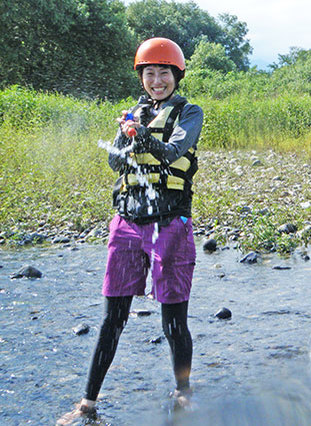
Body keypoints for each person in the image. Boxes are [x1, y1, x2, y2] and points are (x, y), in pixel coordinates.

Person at [57, 37, 203, 424]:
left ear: (177, 75)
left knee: (173, 321)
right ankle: (87, 401)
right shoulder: (131, 114)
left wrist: (142, 133)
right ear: (142, 77)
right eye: (150, 73)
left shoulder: (189, 113)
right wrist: (125, 132)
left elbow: (173, 152)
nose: (157, 80)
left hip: (170, 223)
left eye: (164, 73)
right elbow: (113, 162)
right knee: (112, 318)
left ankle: (184, 392)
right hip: (127, 223)